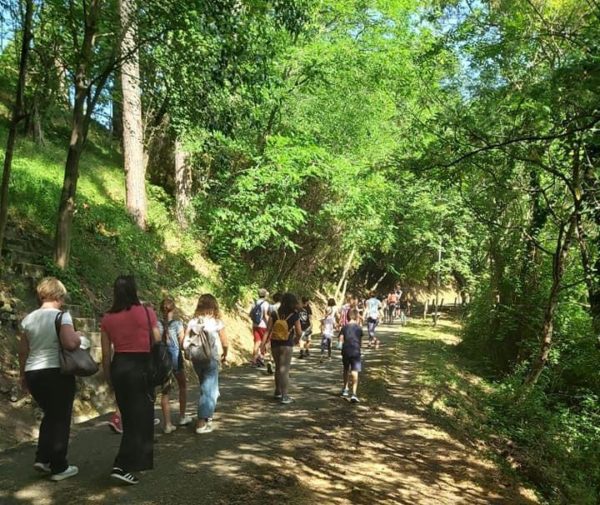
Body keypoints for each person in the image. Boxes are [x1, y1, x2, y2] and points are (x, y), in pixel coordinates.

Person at [18, 277, 81, 481]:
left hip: (33, 372)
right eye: (62, 297)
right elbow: (70, 344)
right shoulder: (62, 317)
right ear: (57, 296)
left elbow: (22, 351)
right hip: (56, 371)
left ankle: (42, 458)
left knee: (50, 414)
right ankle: (59, 466)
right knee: (61, 418)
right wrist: (80, 338)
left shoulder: (28, 319)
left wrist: (23, 376)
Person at [100, 275, 160, 485]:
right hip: (141, 367)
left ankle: (132, 461)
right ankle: (122, 464)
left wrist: (108, 379)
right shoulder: (146, 313)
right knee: (140, 419)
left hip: (120, 367)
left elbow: (106, 355)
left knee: (129, 416)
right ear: (134, 291)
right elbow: (157, 339)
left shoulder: (107, 318)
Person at [183, 294, 228, 434]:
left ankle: (207, 415)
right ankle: (201, 422)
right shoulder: (216, 322)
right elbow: (225, 342)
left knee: (207, 387)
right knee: (209, 391)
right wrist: (225, 353)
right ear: (214, 306)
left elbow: (184, 343)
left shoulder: (192, 322)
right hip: (211, 359)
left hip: (196, 359)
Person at [158, 298, 193, 434]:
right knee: (182, 386)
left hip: (162, 360)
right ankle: (182, 416)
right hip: (175, 359)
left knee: (165, 391)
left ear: (161, 310)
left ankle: (167, 424)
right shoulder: (178, 324)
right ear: (174, 309)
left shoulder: (157, 324)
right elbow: (182, 344)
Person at [261, 292, 301, 404]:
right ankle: (285, 396)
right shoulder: (294, 315)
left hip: (275, 343)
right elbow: (299, 331)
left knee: (278, 367)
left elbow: (268, 330)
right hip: (287, 344)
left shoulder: (274, 313)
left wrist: (263, 344)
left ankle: (277, 391)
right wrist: (296, 340)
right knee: (284, 370)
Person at [339, 309, 363, 403]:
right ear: (357, 316)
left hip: (346, 350)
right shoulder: (359, 328)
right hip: (355, 351)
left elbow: (341, 338)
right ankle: (354, 394)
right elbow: (360, 341)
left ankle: (345, 389)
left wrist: (340, 345)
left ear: (347, 317)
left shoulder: (344, 327)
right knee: (355, 371)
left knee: (345, 369)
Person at [249, 288, 270, 368]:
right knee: (265, 342)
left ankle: (254, 359)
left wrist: (255, 321)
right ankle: (261, 357)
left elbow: (250, 314)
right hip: (263, 326)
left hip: (255, 325)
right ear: (265, 295)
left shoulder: (255, 303)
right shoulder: (265, 304)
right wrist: (270, 324)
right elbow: (265, 315)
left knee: (257, 342)